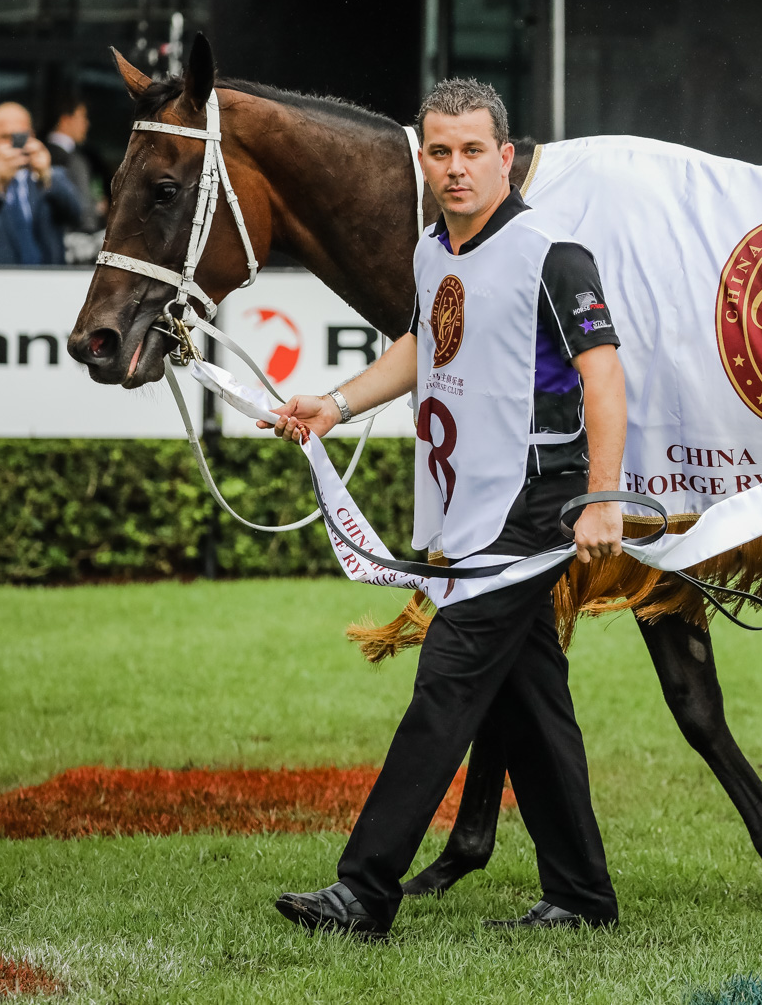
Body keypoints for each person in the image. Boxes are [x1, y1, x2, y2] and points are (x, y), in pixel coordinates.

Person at [268, 78, 627, 941]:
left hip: (532, 505)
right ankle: (581, 896)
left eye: (473, 150)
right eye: (440, 151)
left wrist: (603, 499)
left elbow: (604, 376)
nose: (456, 168)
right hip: (465, 507)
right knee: (529, 701)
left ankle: (363, 892)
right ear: (422, 158)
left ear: (506, 156)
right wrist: (338, 404)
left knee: (448, 685)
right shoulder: (433, 248)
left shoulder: (554, 253)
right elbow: (428, 344)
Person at [0, 101, 82, 265]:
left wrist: (46, 176)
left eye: (20, 137)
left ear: (32, 137)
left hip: (48, 282)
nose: (13, 146)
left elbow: (77, 216)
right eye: (5, 137)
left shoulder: (53, 177)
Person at [45, 92, 107, 234]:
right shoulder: (58, 157)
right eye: (82, 117)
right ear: (66, 120)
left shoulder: (75, 156)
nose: (87, 124)